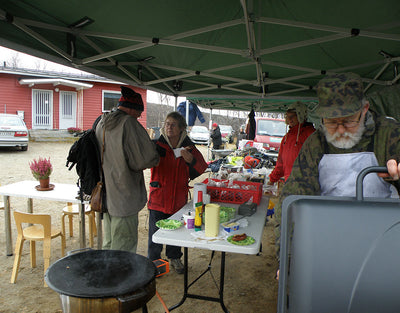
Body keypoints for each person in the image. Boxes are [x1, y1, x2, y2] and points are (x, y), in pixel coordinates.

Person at [274, 72, 400, 280]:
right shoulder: (316, 144)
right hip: (329, 244)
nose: (341, 130)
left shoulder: (389, 133)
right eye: (332, 122)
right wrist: (288, 258)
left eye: (349, 121)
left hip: (384, 244)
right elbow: (292, 201)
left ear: (364, 109)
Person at [95, 86, 159, 253]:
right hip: (124, 196)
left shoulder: (102, 122)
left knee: (109, 245)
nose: (139, 116)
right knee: (124, 248)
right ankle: (120, 278)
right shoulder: (129, 123)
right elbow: (144, 159)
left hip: (106, 196)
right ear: (132, 109)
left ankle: (108, 277)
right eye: (139, 113)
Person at [147, 112, 208, 274]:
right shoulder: (156, 145)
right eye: (167, 123)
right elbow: (141, 161)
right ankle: (155, 263)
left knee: (176, 232)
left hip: (178, 199)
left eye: (173, 124)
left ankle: (174, 258)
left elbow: (202, 167)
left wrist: (191, 160)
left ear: (181, 128)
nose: (169, 127)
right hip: (158, 197)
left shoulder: (189, 147)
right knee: (155, 233)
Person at [267, 101, 315, 185]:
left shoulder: (311, 134)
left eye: (292, 116)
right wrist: (272, 180)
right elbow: (280, 164)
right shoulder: (286, 138)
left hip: (306, 184)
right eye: (287, 116)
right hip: (289, 184)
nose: (289, 119)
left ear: (301, 115)